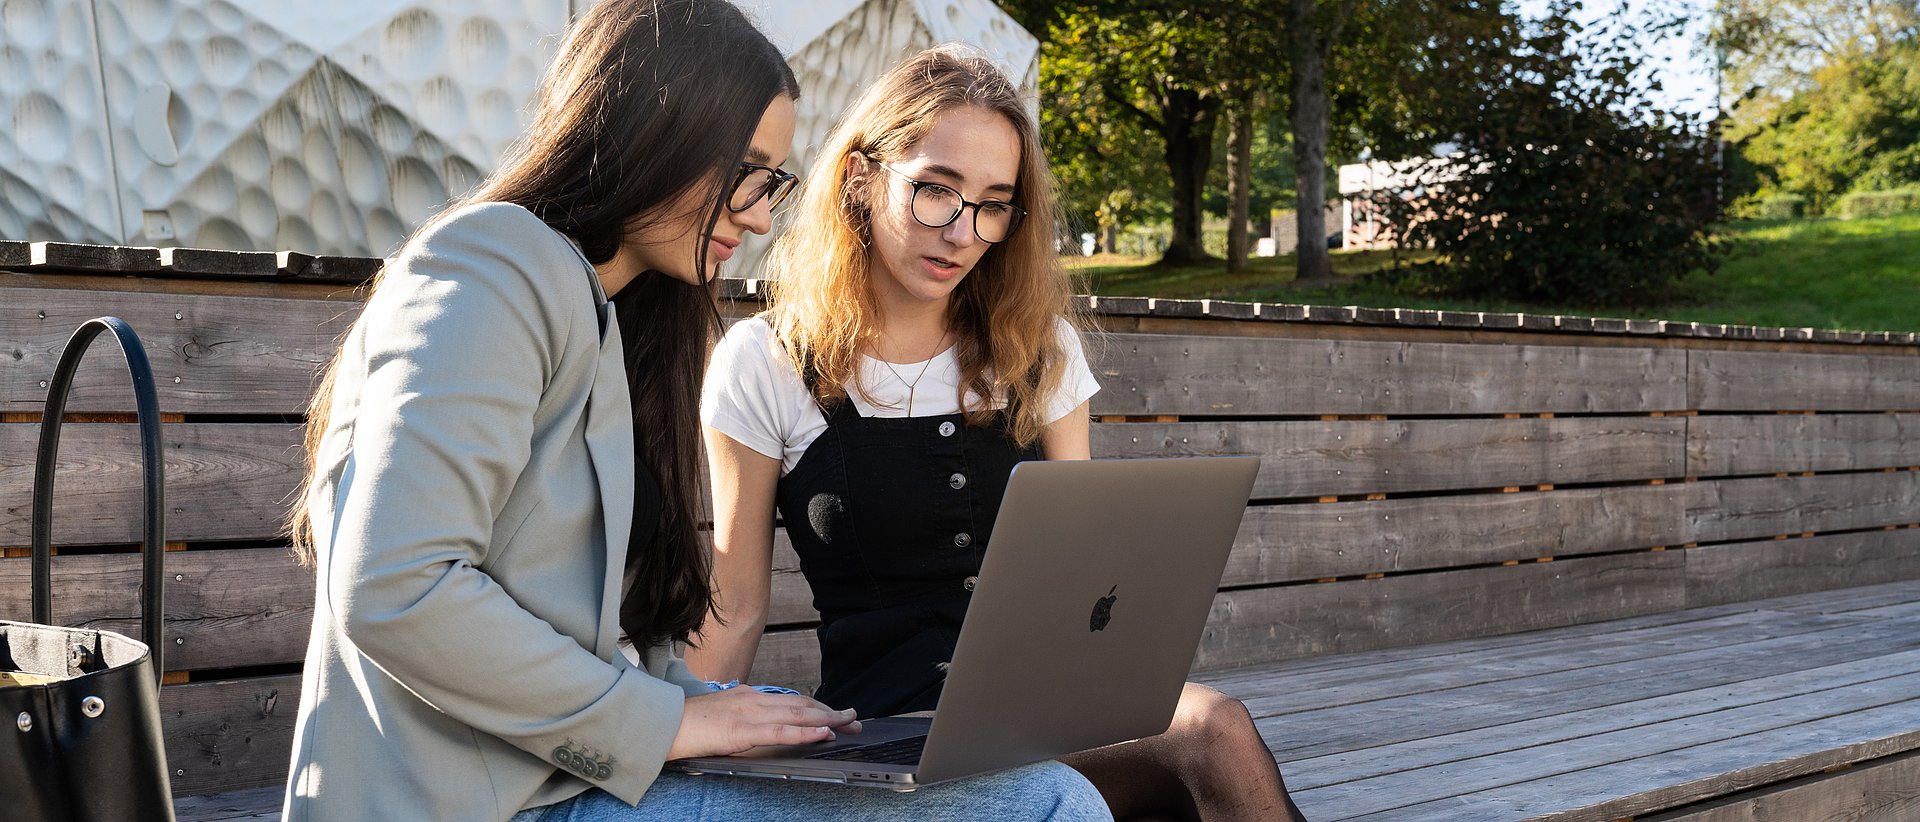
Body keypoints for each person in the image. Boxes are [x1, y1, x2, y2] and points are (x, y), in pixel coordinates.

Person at [279, 3, 1111, 820]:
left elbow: (587, 637)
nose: (759, 213)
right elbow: (396, 586)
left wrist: (711, 704)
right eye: (746, 170)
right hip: (478, 799)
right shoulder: (492, 264)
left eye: (772, 181)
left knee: (871, 746)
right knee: (1048, 802)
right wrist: (675, 721)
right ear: (653, 132)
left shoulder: (625, 318)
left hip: (569, 774)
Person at [691, 45, 1310, 822]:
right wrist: (670, 764)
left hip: (1047, 716)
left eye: (993, 204)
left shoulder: (1039, 348)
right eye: (936, 191)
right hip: (889, 737)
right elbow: (735, 607)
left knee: (1214, 729)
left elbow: (1084, 587)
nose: (962, 231)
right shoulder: (768, 361)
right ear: (860, 178)